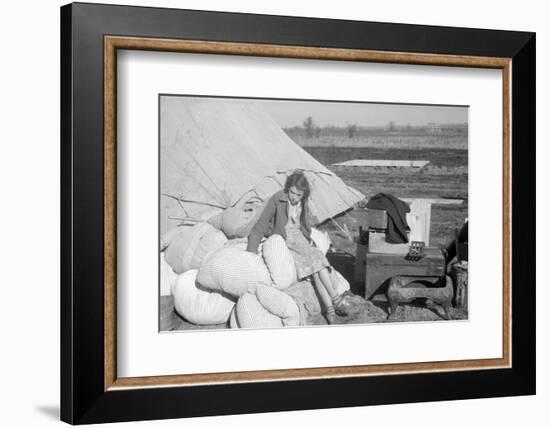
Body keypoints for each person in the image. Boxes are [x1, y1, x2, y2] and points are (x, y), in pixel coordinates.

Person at [246, 170, 357, 324]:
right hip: (287, 240)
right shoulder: (277, 199)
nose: (294, 197)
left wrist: (309, 238)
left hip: (301, 239)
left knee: (317, 268)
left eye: (299, 195)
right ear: (287, 188)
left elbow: (304, 224)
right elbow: (260, 225)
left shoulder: (302, 201)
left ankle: (330, 311)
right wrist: (251, 252)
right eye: (292, 193)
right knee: (316, 264)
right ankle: (336, 299)